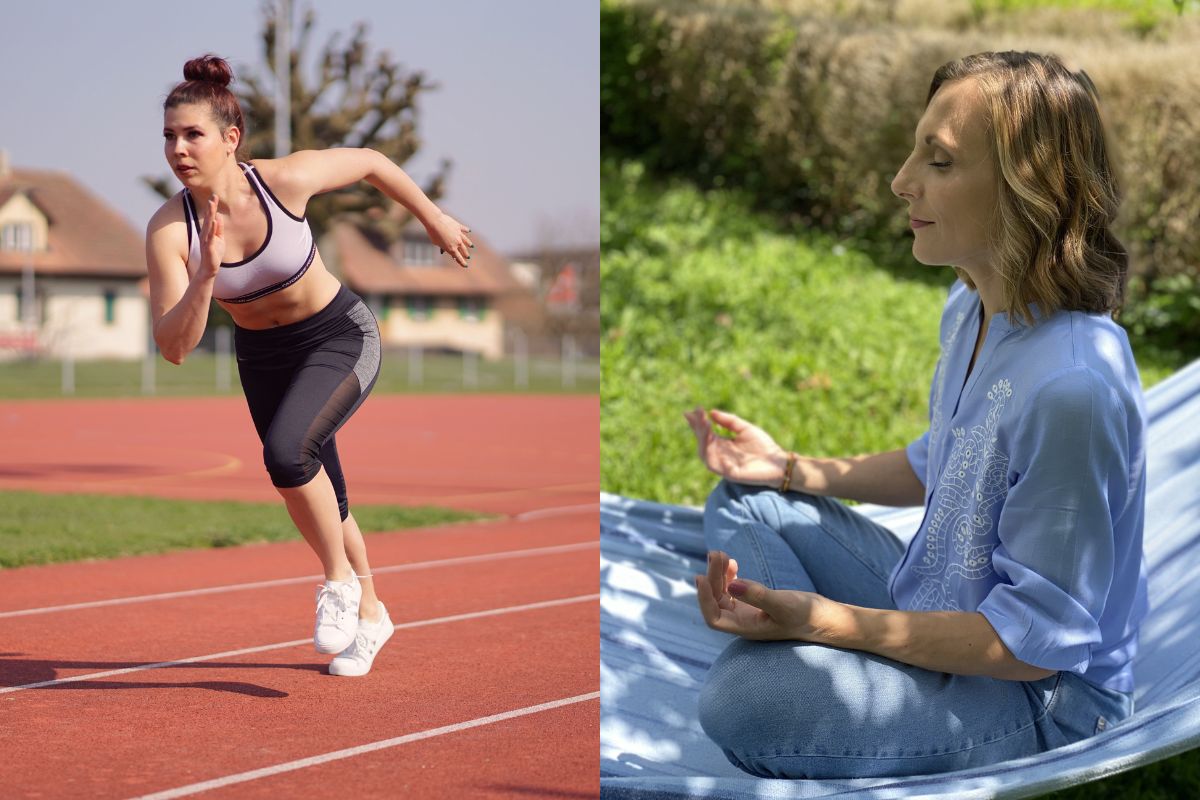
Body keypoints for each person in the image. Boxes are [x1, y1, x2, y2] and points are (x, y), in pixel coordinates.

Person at [682, 50, 1147, 779]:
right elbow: (939, 464)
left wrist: (831, 624)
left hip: (1044, 699)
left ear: (1029, 190)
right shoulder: (973, 308)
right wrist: (790, 469)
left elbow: (1036, 644)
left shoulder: (1073, 391)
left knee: (743, 701)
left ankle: (797, 655)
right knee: (749, 498)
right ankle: (797, 642)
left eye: (939, 162)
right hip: (934, 601)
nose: (902, 182)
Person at [145, 54, 473, 677]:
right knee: (322, 489)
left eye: (193, 134)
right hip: (262, 355)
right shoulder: (170, 229)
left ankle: (339, 583)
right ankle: (372, 613)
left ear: (230, 138)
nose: (178, 149)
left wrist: (434, 217)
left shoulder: (284, 180)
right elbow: (174, 345)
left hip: (338, 336)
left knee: (286, 454)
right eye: (168, 136)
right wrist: (205, 274)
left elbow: (373, 163)